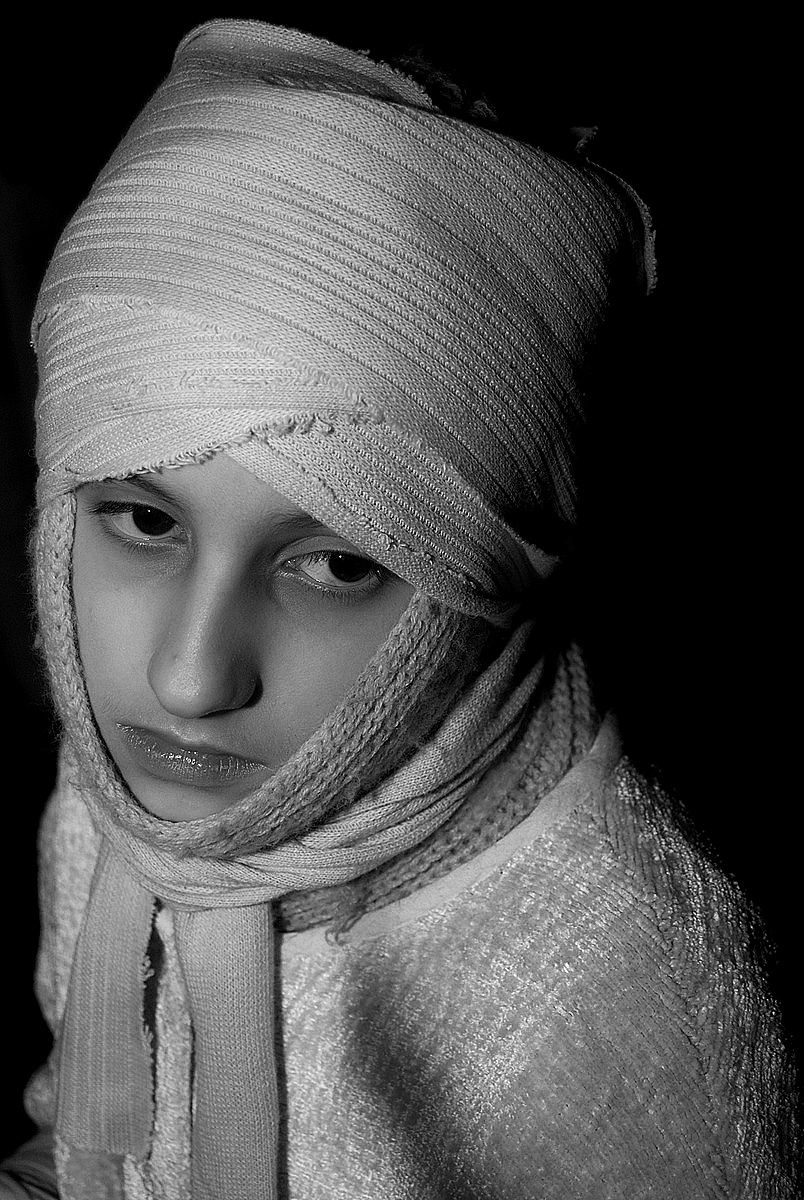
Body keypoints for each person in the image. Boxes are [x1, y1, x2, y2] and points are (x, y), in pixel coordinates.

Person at [0, 16, 798, 1200]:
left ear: (485, 579)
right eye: (145, 522)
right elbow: (87, 1132)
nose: (189, 678)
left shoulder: (618, 991)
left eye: (336, 565)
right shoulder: (127, 785)